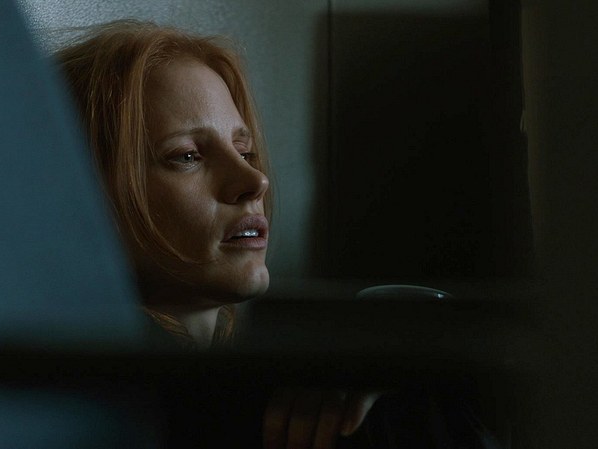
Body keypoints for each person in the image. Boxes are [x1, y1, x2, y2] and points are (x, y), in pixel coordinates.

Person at [54, 20, 380, 449]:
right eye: (187, 156)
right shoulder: (90, 406)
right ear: (84, 193)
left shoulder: (302, 378)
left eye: (245, 151)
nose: (254, 180)